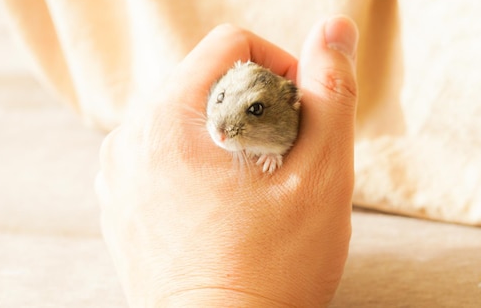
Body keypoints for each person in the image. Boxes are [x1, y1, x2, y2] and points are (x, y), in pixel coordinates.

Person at [97, 17, 359, 306]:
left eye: (255, 109)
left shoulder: (287, 113)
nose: (222, 129)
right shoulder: (218, 114)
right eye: (221, 97)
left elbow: (291, 142)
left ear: (289, 103)